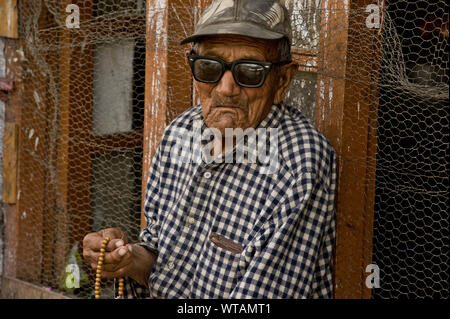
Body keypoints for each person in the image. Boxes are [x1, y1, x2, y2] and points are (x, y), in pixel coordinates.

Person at [83, 0, 337, 299]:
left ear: (282, 80)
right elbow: (160, 260)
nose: (225, 88)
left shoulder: (298, 164)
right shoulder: (182, 131)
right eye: (209, 67)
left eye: (251, 70)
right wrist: (124, 258)